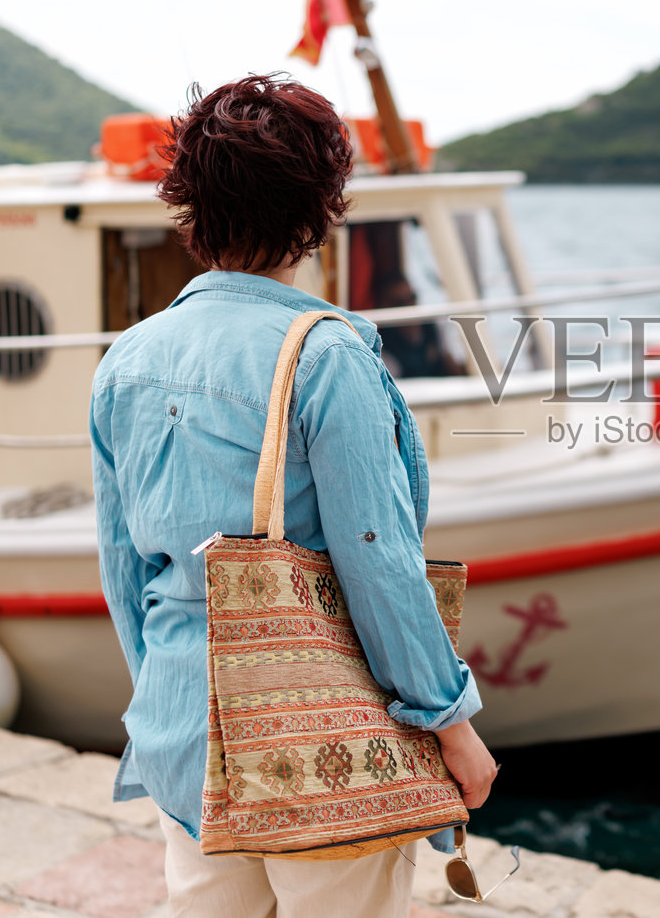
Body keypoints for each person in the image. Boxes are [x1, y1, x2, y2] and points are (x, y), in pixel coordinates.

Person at [89, 74, 497, 918]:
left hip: (183, 728)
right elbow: (379, 565)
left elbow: (122, 569)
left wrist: (175, 699)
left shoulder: (125, 359)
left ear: (188, 204)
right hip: (321, 744)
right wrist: (450, 721)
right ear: (322, 207)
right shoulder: (326, 355)